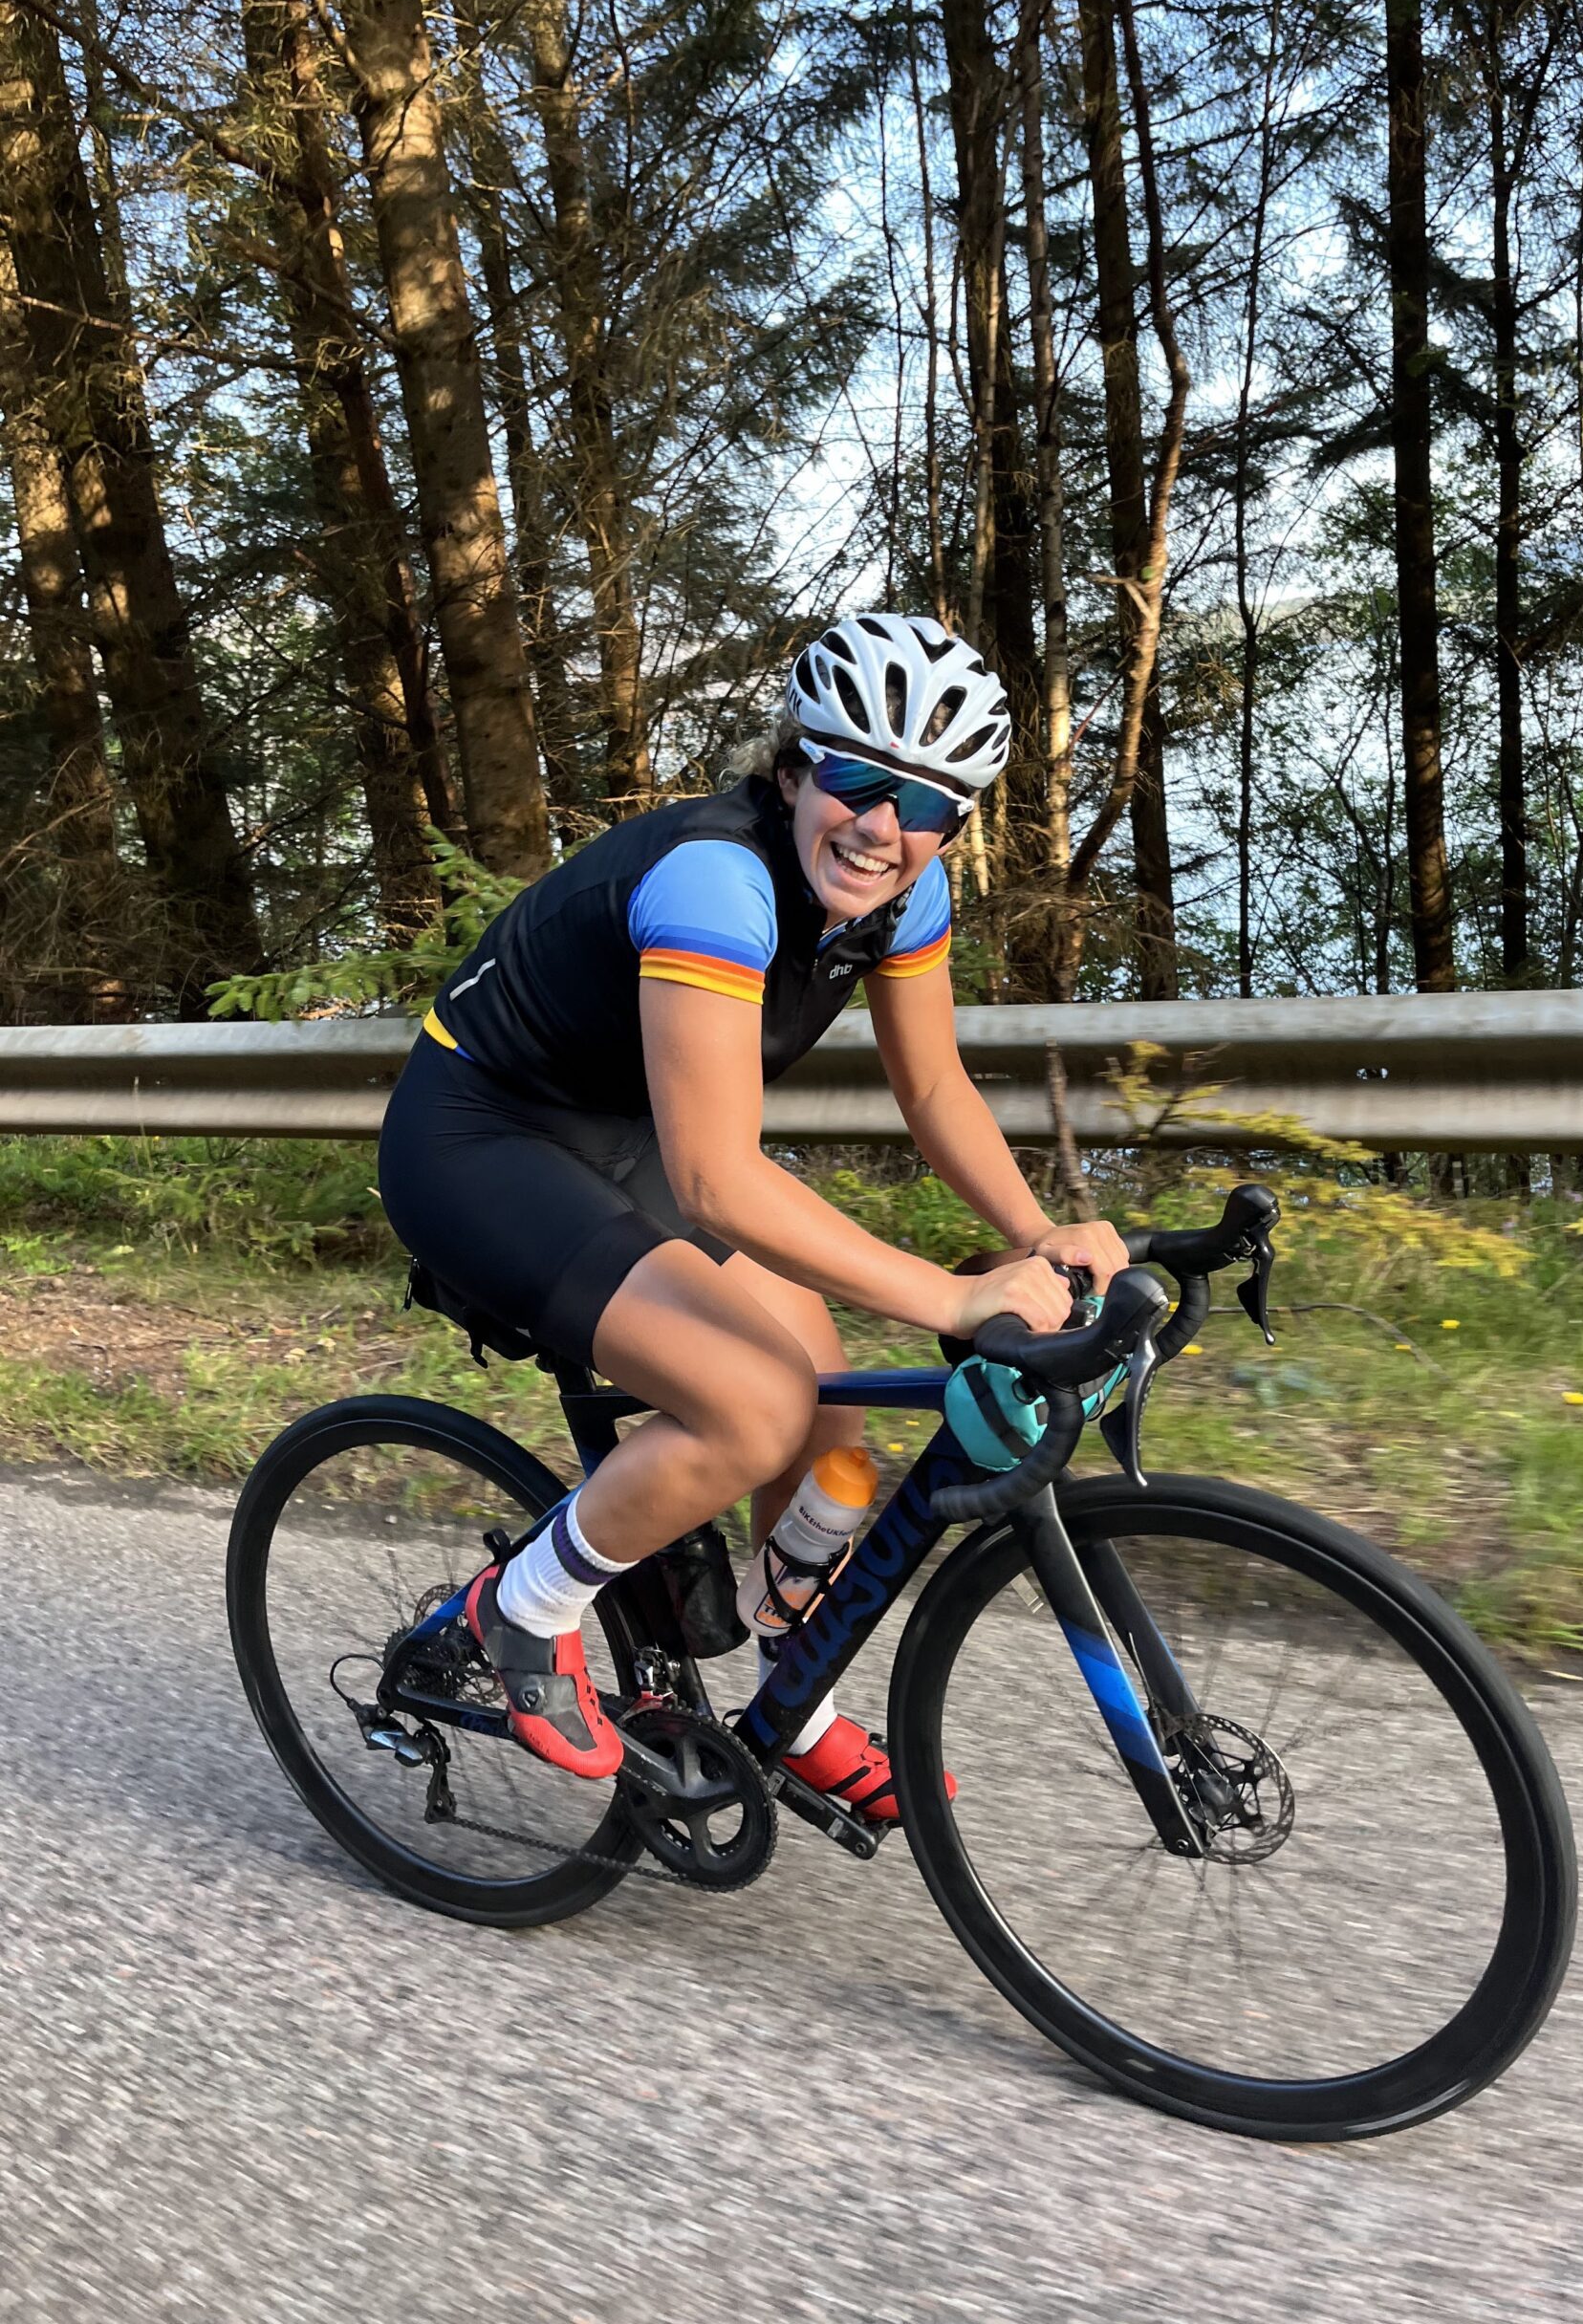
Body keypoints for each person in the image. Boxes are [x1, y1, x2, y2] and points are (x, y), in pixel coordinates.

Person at [377, 614, 1129, 1817]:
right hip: (483, 1137)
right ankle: (518, 1613)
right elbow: (721, 1177)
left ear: (955, 828)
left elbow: (932, 1089)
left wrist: (1038, 1236)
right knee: (753, 1405)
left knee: (832, 1422)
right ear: (794, 773)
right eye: (857, 779)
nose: (884, 825)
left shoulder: (904, 895)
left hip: (632, 1140)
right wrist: (951, 1295)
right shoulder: (716, 882)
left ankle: (797, 1698)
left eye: (927, 802)